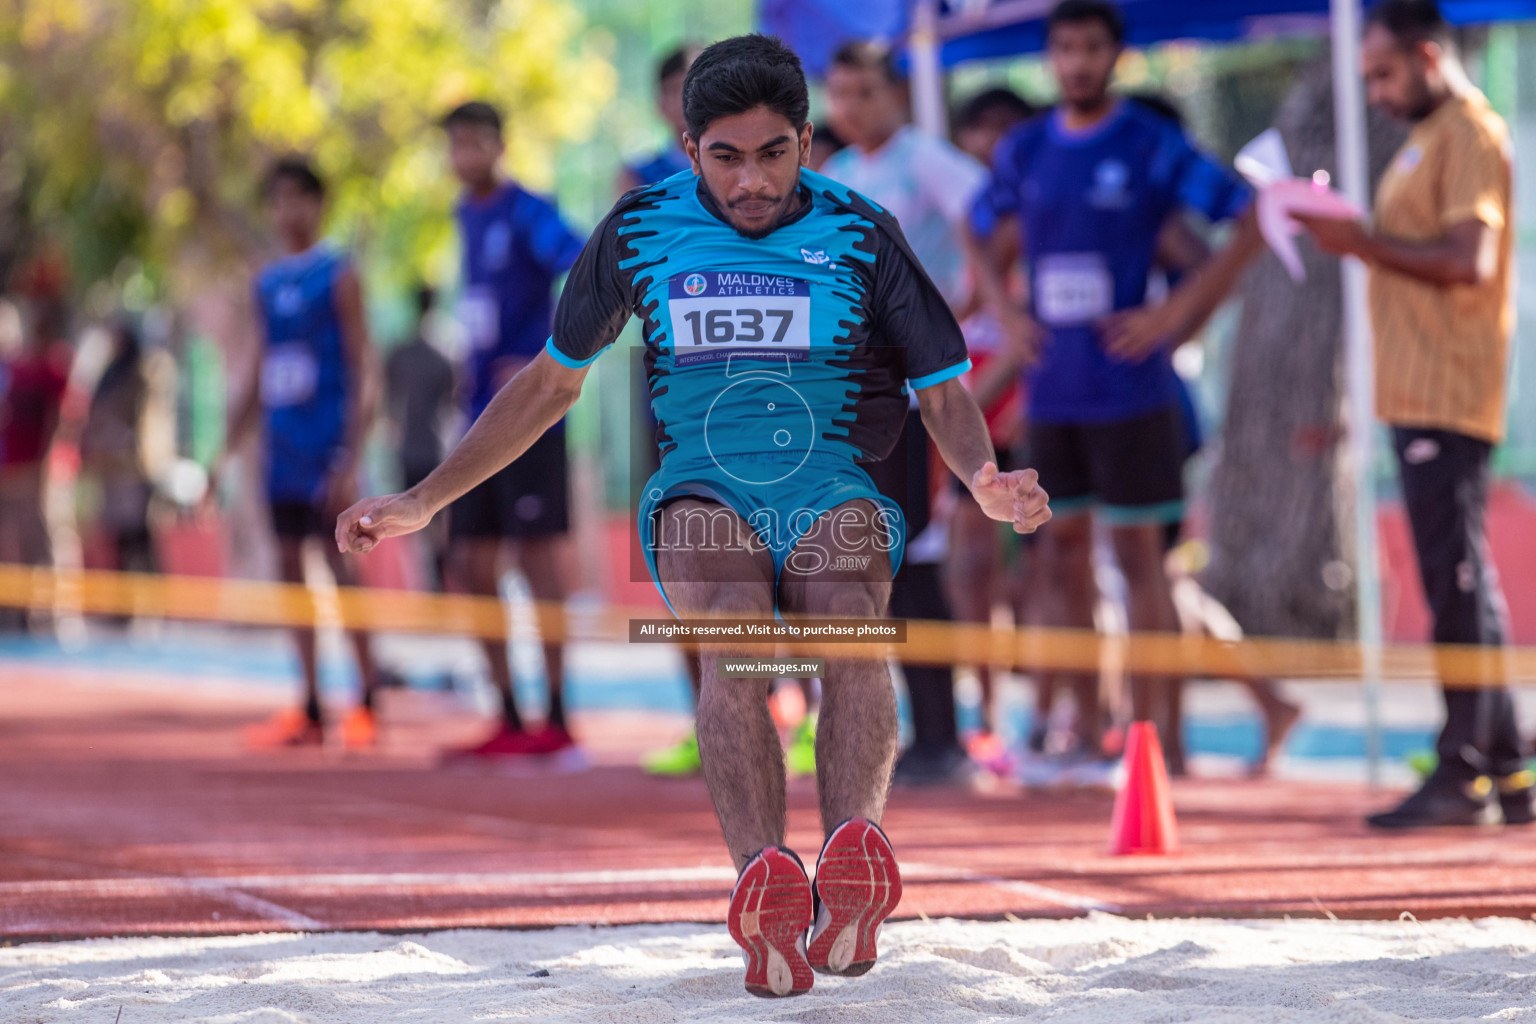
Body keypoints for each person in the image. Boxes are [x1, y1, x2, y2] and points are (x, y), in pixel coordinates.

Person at [337, 34, 1051, 998]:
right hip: (702, 489)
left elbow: (943, 387)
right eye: (726, 157)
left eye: (772, 154)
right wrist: (423, 498)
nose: (751, 181)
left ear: (807, 140)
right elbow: (549, 384)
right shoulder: (638, 234)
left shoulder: (864, 230)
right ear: (688, 148)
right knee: (736, 639)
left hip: (833, 482)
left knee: (851, 628)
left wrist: (983, 478)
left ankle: (849, 863)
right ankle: (763, 883)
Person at [967, 0, 1255, 778]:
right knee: (1060, 560)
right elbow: (974, 224)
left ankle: (1158, 741)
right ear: (1050, 57)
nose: (1077, 62)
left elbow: (1254, 214)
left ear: (1116, 55)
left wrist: (1177, 312)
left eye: (1092, 48)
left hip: (1134, 393)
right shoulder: (1025, 149)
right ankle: (1084, 729)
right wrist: (1006, 314)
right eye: (1064, 49)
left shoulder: (1153, 144)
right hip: (1053, 395)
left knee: (1142, 564)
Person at [1296, 0, 1531, 827]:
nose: (1378, 93)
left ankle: (1465, 765)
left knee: (1456, 582)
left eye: (1385, 73)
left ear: (1429, 56)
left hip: (1450, 389)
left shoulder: (1470, 132)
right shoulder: (1430, 140)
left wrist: (1361, 243)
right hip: (1417, 390)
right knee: (1460, 580)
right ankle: (1505, 763)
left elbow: (1471, 262)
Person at [820, 40, 994, 784]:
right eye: (840, 94)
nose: (850, 108)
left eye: (864, 92)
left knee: (916, 554)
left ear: (896, 96)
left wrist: (953, 315)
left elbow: (991, 237)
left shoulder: (928, 160)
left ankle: (943, 737)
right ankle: (893, 732)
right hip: (866, 393)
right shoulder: (836, 176)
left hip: (930, 391)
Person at [440, 101, 585, 759]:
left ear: (499, 145)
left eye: (474, 141)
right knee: (471, 563)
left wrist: (539, 356)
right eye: (454, 144)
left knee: (535, 559)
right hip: (477, 419)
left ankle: (555, 716)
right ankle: (504, 713)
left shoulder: (530, 210)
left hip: (528, 417)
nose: (463, 155)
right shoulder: (464, 215)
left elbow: (585, 262)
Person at [225, 157, 383, 749]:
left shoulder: (338, 273)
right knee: (290, 572)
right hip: (281, 454)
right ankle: (312, 702)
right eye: (278, 199)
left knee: (341, 567)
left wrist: (350, 453)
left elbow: (365, 364)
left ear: (319, 204)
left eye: (299, 198)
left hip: (328, 451)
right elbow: (260, 369)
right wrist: (223, 453)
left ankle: (366, 696)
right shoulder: (265, 283)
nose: (288, 211)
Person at [385, 285, 455, 590]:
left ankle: (424, 586)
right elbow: (453, 402)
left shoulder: (401, 352)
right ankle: (434, 584)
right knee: (435, 520)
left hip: (411, 448)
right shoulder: (443, 354)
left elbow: (388, 401)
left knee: (410, 520)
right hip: (434, 447)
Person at [618, 46, 698, 192]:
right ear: (659, 103)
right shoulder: (637, 178)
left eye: (693, 88)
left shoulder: (735, 171)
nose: (685, 100)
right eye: (674, 90)